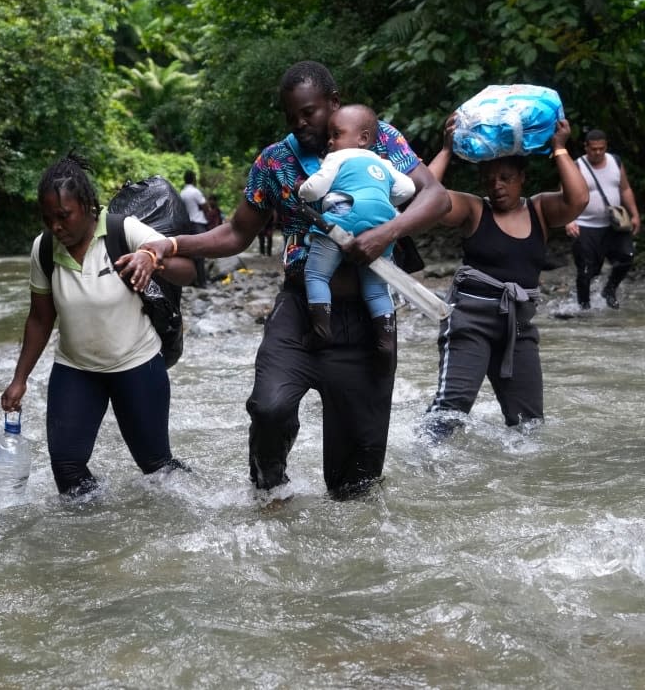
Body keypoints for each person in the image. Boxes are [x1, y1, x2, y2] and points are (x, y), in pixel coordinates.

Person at [141, 61, 450, 499]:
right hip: (301, 306)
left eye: (309, 113)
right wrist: (169, 245)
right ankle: (271, 491)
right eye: (291, 116)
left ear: (334, 103)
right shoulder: (275, 160)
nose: (300, 124)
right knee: (268, 406)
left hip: (368, 315)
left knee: (354, 484)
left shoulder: (377, 138)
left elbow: (435, 197)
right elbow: (234, 233)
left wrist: (386, 232)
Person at [0, 153, 196, 497]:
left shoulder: (124, 230)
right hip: (76, 369)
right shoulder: (44, 249)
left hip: (136, 364)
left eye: (63, 216)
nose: (56, 227)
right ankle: (94, 537)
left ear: (88, 205)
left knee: (155, 464)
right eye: (48, 219)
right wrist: (19, 380)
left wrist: (153, 261)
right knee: (67, 467)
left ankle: (200, 500)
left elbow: (190, 269)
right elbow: (40, 318)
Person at [423, 114, 588, 436]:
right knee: (451, 411)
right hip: (470, 321)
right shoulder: (473, 210)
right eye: (489, 179)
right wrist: (446, 149)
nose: (497, 186)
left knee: (529, 424)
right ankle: (423, 462)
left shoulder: (540, 210)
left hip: (518, 327)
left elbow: (579, 199)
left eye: (506, 178)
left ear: (522, 178)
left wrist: (559, 148)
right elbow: (425, 200)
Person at [297, 104, 418, 365]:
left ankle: (321, 329)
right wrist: (384, 197)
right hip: (382, 225)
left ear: (362, 138)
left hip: (344, 214)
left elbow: (315, 189)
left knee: (317, 274)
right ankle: (386, 342)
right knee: (375, 288)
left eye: (337, 134)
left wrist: (302, 191)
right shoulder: (382, 162)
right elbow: (408, 189)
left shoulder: (337, 158)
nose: (330, 140)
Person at [566, 129, 642, 309]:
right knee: (586, 271)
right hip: (585, 225)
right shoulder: (577, 166)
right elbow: (565, 195)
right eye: (594, 149)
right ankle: (583, 307)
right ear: (586, 147)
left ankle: (609, 290)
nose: (598, 152)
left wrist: (635, 214)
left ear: (606, 146)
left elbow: (625, 189)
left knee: (626, 258)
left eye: (601, 148)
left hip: (613, 225)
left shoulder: (615, 162)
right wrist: (569, 221)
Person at [180, 170, 210, 288]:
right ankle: (202, 282)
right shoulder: (195, 192)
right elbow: (205, 206)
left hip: (188, 224)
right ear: (193, 179)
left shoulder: (182, 193)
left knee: (190, 253)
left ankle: (192, 280)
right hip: (198, 223)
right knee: (200, 253)